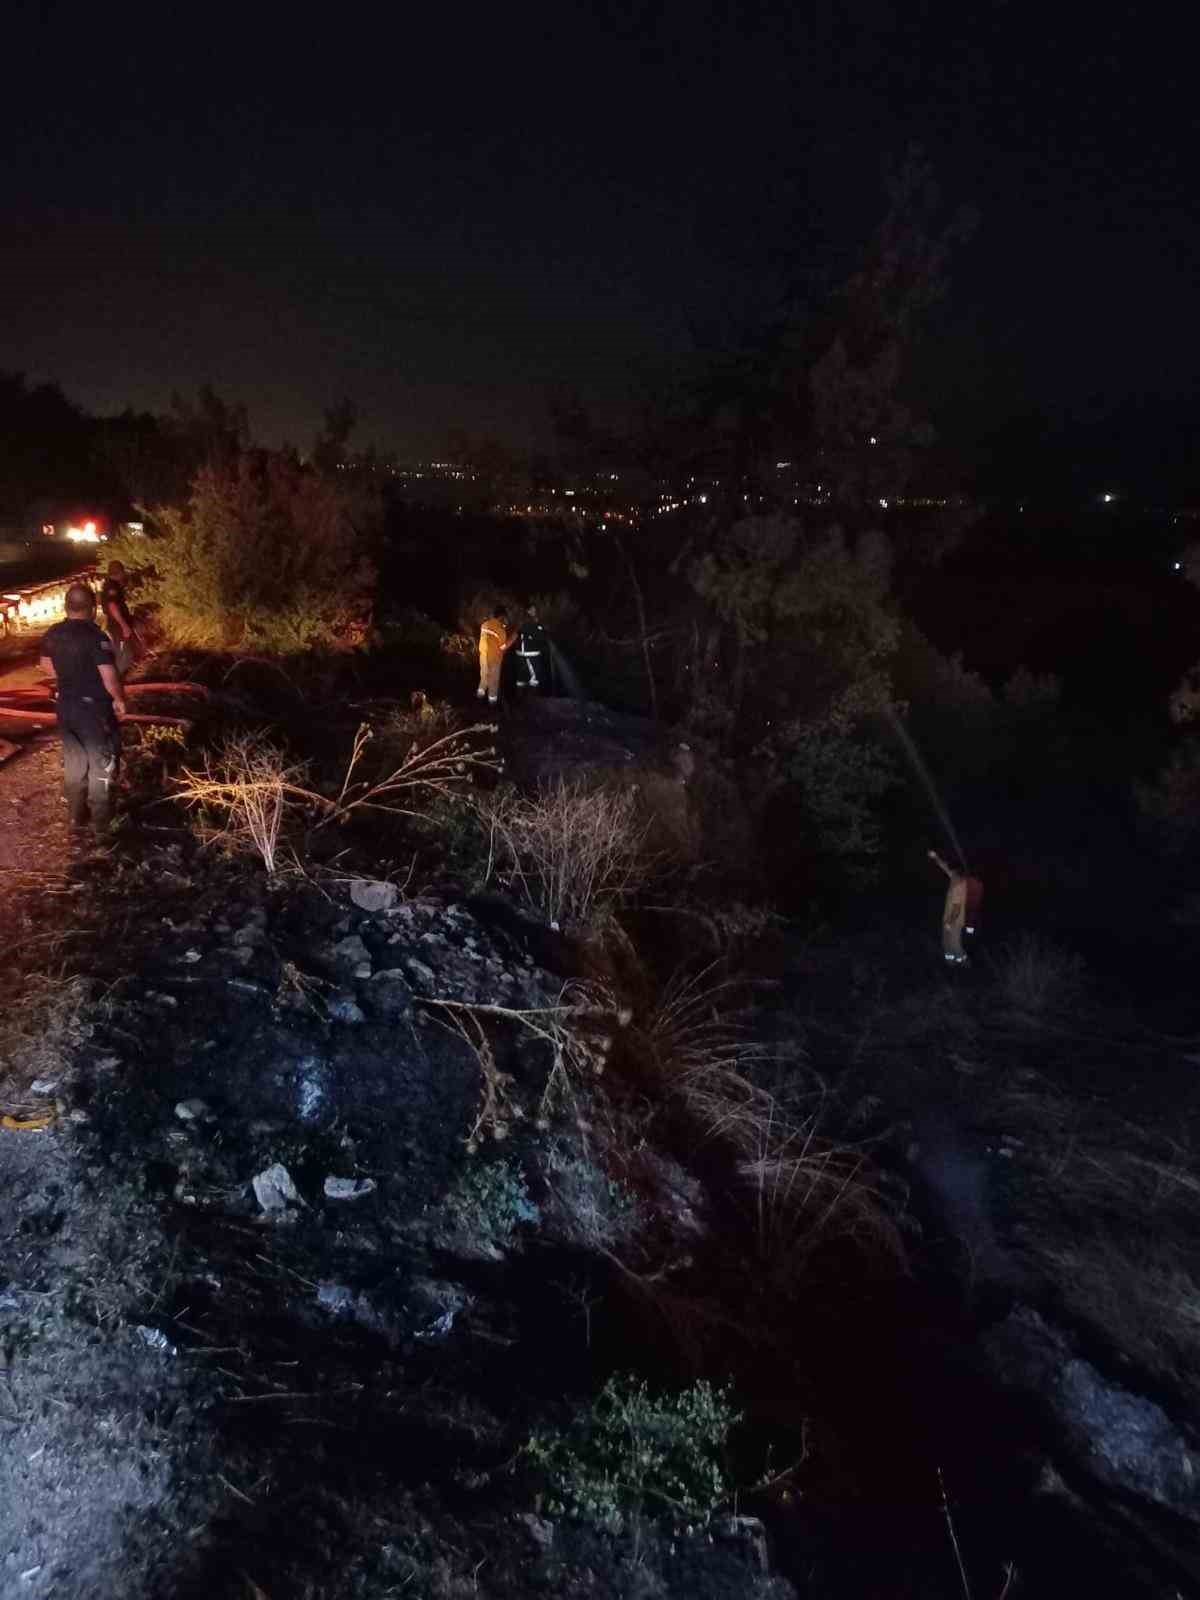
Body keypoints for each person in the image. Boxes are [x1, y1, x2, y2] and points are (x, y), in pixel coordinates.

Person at [39, 584, 127, 844]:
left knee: (74, 762)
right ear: (93, 608)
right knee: (102, 764)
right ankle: (102, 826)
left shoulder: (53, 633)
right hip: (93, 711)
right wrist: (119, 699)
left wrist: (69, 679)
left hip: (66, 707)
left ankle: (76, 819)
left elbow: (45, 665)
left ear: (66, 606)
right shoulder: (95, 636)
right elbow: (108, 675)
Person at [928, 848, 983, 965]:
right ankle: (950, 963)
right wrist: (935, 857)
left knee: (955, 944)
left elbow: (957, 907)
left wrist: (950, 922)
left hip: (955, 921)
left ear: (959, 873)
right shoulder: (954, 878)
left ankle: (966, 963)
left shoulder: (959, 885)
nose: (951, 872)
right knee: (946, 943)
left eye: (954, 871)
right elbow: (945, 868)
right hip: (947, 918)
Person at [99, 561, 141, 678]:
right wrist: (124, 625)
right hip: (117, 626)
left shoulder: (112, 585)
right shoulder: (112, 586)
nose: (124, 575)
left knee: (126, 653)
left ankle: (120, 678)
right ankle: (118, 680)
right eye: (123, 572)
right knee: (124, 654)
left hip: (117, 625)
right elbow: (112, 606)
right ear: (119, 572)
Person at [477, 607, 515, 706]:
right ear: (502, 617)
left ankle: (479, 697)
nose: (506, 619)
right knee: (493, 681)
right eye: (505, 617)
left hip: (483, 656)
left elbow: (491, 636)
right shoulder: (500, 630)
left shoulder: (485, 625)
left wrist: (503, 625)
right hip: (494, 659)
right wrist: (513, 638)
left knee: (484, 677)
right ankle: (492, 703)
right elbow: (503, 647)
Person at [514, 603, 550, 693]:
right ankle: (532, 697)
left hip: (526, 653)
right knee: (534, 677)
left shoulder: (531, 621)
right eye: (531, 610)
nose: (534, 611)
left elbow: (541, 634)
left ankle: (522, 697)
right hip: (529, 653)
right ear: (527, 611)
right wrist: (540, 629)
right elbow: (539, 635)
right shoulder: (527, 622)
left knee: (523, 677)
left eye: (534, 609)